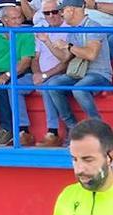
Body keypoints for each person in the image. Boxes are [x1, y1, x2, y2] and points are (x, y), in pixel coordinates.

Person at [39, 0, 113, 138]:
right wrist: (47, 42)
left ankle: (98, 130)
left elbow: (91, 54)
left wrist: (68, 46)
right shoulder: (73, 29)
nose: (61, 14)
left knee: (79, 89)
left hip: (99, 74)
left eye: (62, 11)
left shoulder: (93, 26)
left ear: (71, 10)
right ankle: (72, 128)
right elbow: (65, 58)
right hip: (79, 74)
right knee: (53, 85)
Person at [0, 2, 33, 145]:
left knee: (4, 85)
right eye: (13, 19)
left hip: (18, 73)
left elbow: (25, 62)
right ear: (4, 20)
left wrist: (6, 75)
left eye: (19, 18)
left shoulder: (25, 34)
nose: (18, 21)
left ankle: (8, 128)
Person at [29, 0, 68, 147]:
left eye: (55, 11)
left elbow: (66, 62)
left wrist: (44, 76)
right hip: (41, 74)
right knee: (14, 85)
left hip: (59, 74)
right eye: (46, 13)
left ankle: (53, 132)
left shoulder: (70, 29)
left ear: (61, 11)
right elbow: (35, 58)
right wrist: (36, 74)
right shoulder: (42, 30)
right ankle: (22, 130)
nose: (51, 15)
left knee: (47, 85)